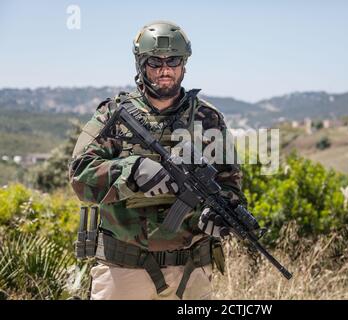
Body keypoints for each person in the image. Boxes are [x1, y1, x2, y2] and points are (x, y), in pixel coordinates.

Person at [68, 20, 246, 300]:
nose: (165, 69)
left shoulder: (208, 118)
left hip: (191, 271)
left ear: (184, 64)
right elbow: (79, 176)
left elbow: (229, 182)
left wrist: (222, 213)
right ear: (141, 64)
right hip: (124, 270)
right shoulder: (112, 116)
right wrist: (130, 171)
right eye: (155, 61)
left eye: (173, 60)